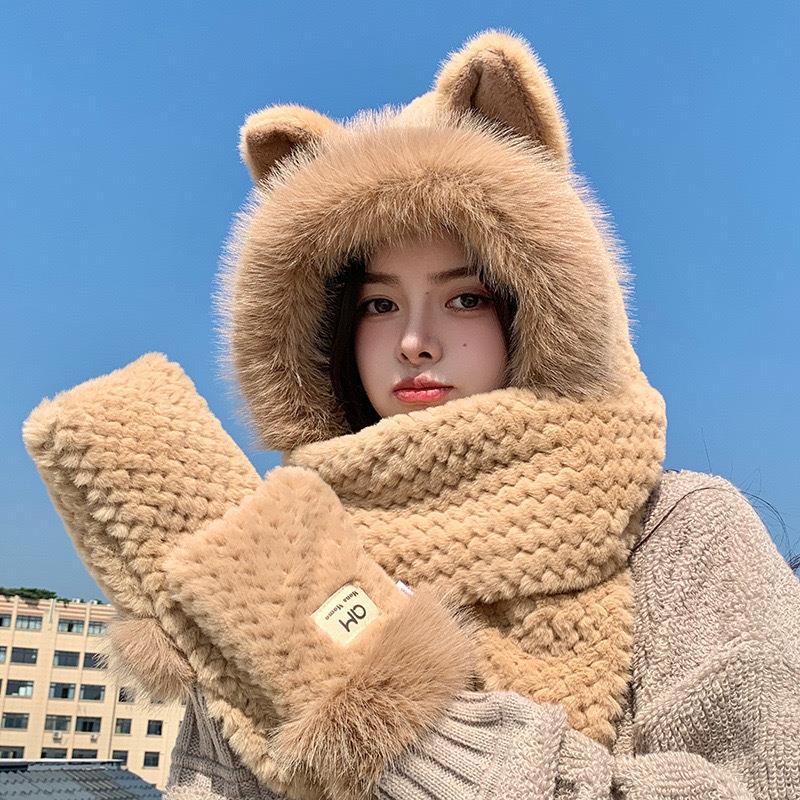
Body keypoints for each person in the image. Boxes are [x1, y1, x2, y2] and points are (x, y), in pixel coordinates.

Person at [163, 29, 800, 800]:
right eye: (378, 304)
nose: (414, 340)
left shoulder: (675, 529)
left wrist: (427, 743)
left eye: (465, 298)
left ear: (537, 307)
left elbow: (768, 780)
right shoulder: (286, 562)